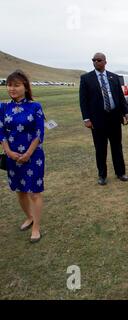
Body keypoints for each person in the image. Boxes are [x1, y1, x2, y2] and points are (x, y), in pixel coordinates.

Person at [0, 70, 45, 243]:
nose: (12, 88)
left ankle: (36, 227)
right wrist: (9, 152)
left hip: (33, 156)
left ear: (25, 87)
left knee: (34, 192)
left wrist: (27, 154)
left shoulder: (35, 107)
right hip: (12, 156)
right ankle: (29, 216)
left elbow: (39, 133)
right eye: (9, 85)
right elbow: (1, 131)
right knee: (20, 190)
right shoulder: (3, 107)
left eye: (16, 85)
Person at [79, 53, 128, 186]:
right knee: (100, 148)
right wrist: (86, 118)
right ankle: (102, 175)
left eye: (99, 60)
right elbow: (83, 101)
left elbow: (120, 96)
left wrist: (125, 112)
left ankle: (120, 172)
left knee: (117, 147)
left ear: (105, 62)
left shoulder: (114, 77)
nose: (96, 62)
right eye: (94, 60)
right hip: (97, 120)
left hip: (114, 117)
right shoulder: (86, 78)